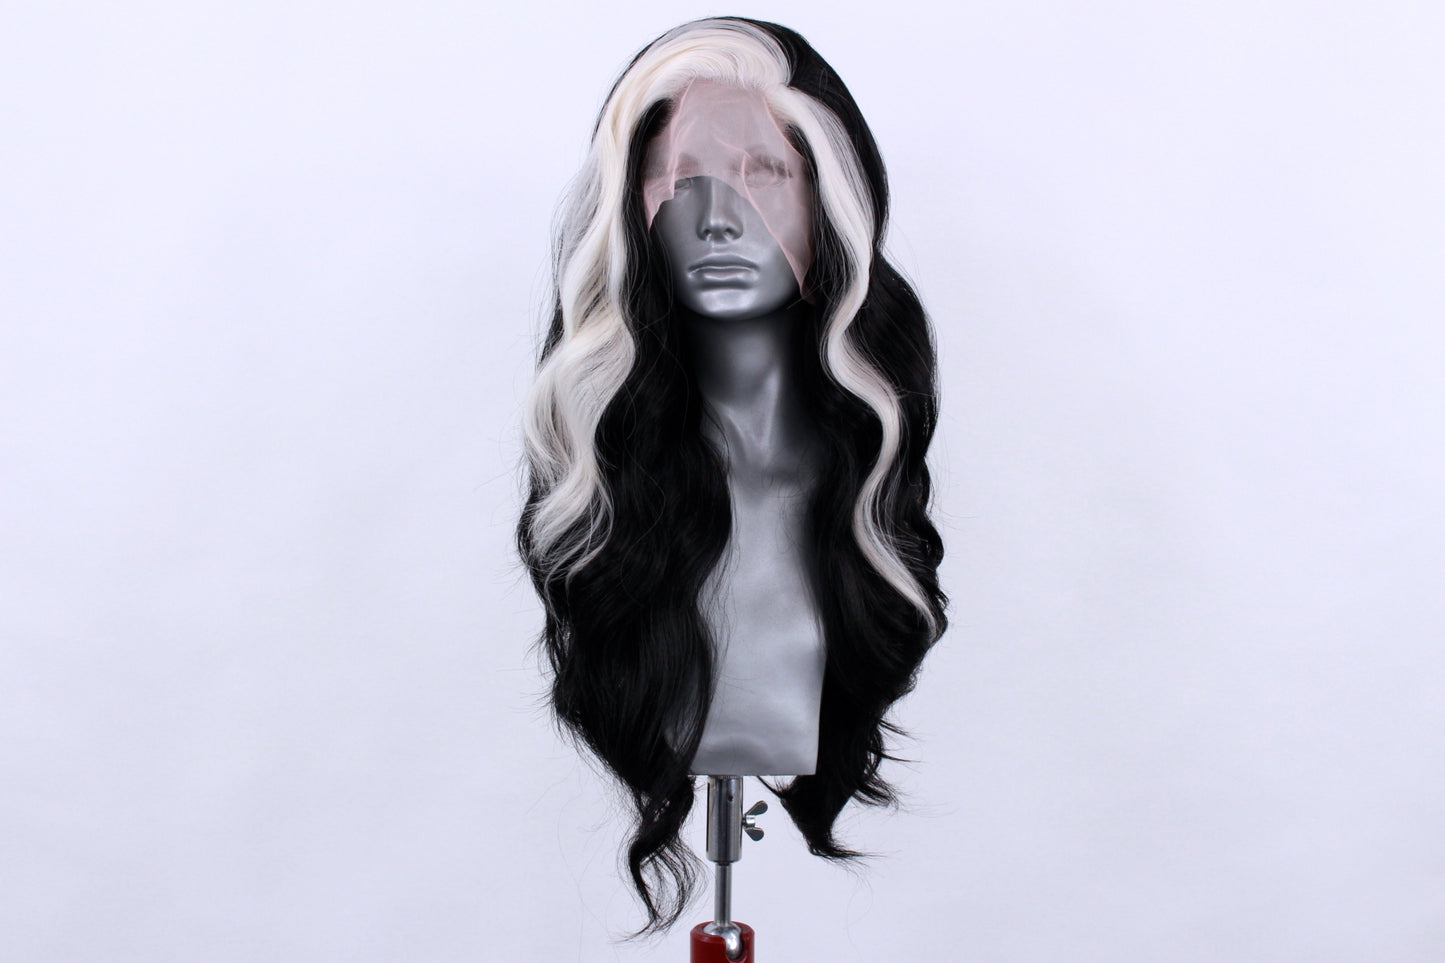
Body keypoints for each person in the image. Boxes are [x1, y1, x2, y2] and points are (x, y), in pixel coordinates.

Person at [518, 15, 947, 934]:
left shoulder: (858, 484)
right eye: (679, 179)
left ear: (828, 200)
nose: (716, 217)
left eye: (762, 172)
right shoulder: (612, 489)